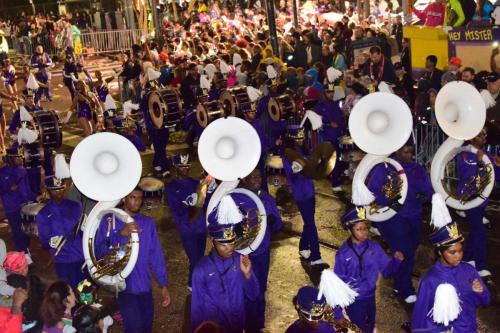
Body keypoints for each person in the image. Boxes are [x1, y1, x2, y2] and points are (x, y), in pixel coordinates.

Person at [95, 188, 170, 333]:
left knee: (146, 326)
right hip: (124, 286)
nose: (137, 201)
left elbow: (156, 254)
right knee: (134, 328)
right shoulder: (110, 221)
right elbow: (100, 251)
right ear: (123, 199)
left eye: (140, 198)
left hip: (144, 286)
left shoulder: (148, 223)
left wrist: (163, 284)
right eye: (132, 197)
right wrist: (121, 235)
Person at [367, 141, 434, 304]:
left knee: (410, 251)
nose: (409, 156)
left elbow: (428, 190)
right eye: (405, 152)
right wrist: (390, 201)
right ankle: (405, 288)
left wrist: (425, 197)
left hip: (414, 215)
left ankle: (398, 281)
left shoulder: (417, 169)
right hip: (393, 217)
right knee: (404, 251)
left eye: (411, 152)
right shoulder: (383, 168)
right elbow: (372, 192)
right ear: (396, 150)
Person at [191, 193, 260, 332]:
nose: (230, 248)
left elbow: (253, 295)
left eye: (232, 242)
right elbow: (197, 309)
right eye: (223, 244)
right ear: (212, 242)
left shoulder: (239, 260)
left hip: (238, 326)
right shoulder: (201, 270)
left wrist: (248, 276)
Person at [411, 214, 491, 331]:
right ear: (440, 253)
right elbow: (420, 319)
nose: (458, 256)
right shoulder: (429, 279)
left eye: (460, 251)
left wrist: (480, 292)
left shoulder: (468, 270)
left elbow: (486, 302)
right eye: (452, 252)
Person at [334, 208, 404, 332]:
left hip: (370, 297)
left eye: (365, 228)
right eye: (359, 229)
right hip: (354, 301)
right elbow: (337, 285)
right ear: (349, 230)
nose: (364, 232)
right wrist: (338, 314)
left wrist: (396, 261)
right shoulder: (343, 254)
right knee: (360, 328)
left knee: (370, 324)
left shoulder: (374, 247)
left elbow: (386, 271)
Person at [240, 168, 283, 333]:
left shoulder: (266, 197)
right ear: (244, 179)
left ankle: (258, 324)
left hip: (262, 252)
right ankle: (249, 326)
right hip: (245, 254)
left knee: (261, 290)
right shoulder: (237, 198)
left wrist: (273, 221)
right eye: (253, 176)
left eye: (259, 176)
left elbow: (278, 224)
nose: (257, 179)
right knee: (249, 291)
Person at [456, 128, 500, 282]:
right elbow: (469, 176)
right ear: (472, 137)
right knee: (479, 231)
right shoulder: (465, 155)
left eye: (485, 135)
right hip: (469, 199)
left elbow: (495, 177)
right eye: (481, 135)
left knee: (476, 231)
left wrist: (498, 166)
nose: (484, 139)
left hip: (481, 201)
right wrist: (481, 163)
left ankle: (467, 258)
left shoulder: (486, 155)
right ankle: (481, 266)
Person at [282, 125, 327, 267]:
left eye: (302, 138)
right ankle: (315, 257)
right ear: (291, 139)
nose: (301, 141)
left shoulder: (301, 150)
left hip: (310, 191)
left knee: (309, 222)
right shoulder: (287, 155)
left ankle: (303, 247)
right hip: (301, 194)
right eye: (298, 138)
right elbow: (291, 177)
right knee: (311, 225)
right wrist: (296, 169)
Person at [165, 153, 209, 289]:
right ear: (175, 167)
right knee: (194, 258)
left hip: (201, 227)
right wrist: (193, 207)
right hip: (187, 230)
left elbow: (205, 203)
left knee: (200, 257)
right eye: (181, 166)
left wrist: (208, 186)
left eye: (187, 166)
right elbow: (177, 210)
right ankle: (193, 284)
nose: (184, 169)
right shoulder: (171, 187)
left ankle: (194, 281)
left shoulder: (196, 183)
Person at [36, 176, 86, 289]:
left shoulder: (76, 206)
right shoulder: (43, 214)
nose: (58, 192)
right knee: (68, 291)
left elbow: (82, 232)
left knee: (84, 289)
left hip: (80, 255)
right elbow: (43, 240)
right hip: (62, 259)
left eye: (60, 188)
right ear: (48, 190)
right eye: (54, 189)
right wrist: (50, 242)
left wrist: (85, 227)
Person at [0, 147, 37, 253]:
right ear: (10, 159)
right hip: (11, 208)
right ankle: (23, 253)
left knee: (27, 231)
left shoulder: (22, 171)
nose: (20, 160)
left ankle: (25, 249)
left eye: (19, 157)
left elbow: (27, 190)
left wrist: (35, 197)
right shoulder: (2, 174)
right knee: (17, 231)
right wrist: (8, 188)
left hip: (25, 206)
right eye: (17, 158)